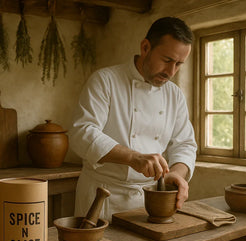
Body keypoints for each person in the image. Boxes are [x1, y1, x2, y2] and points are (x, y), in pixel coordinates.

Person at [68, 17, 198, 222]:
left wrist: (176, 173)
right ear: (145, 47)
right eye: (167, 60)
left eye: (179, 64)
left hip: (149, 204)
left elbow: (185, 144)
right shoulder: (105, 81)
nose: (171, 72)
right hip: (102, 199)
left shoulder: (174, 95)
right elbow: (82, 132)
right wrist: (133, 158)